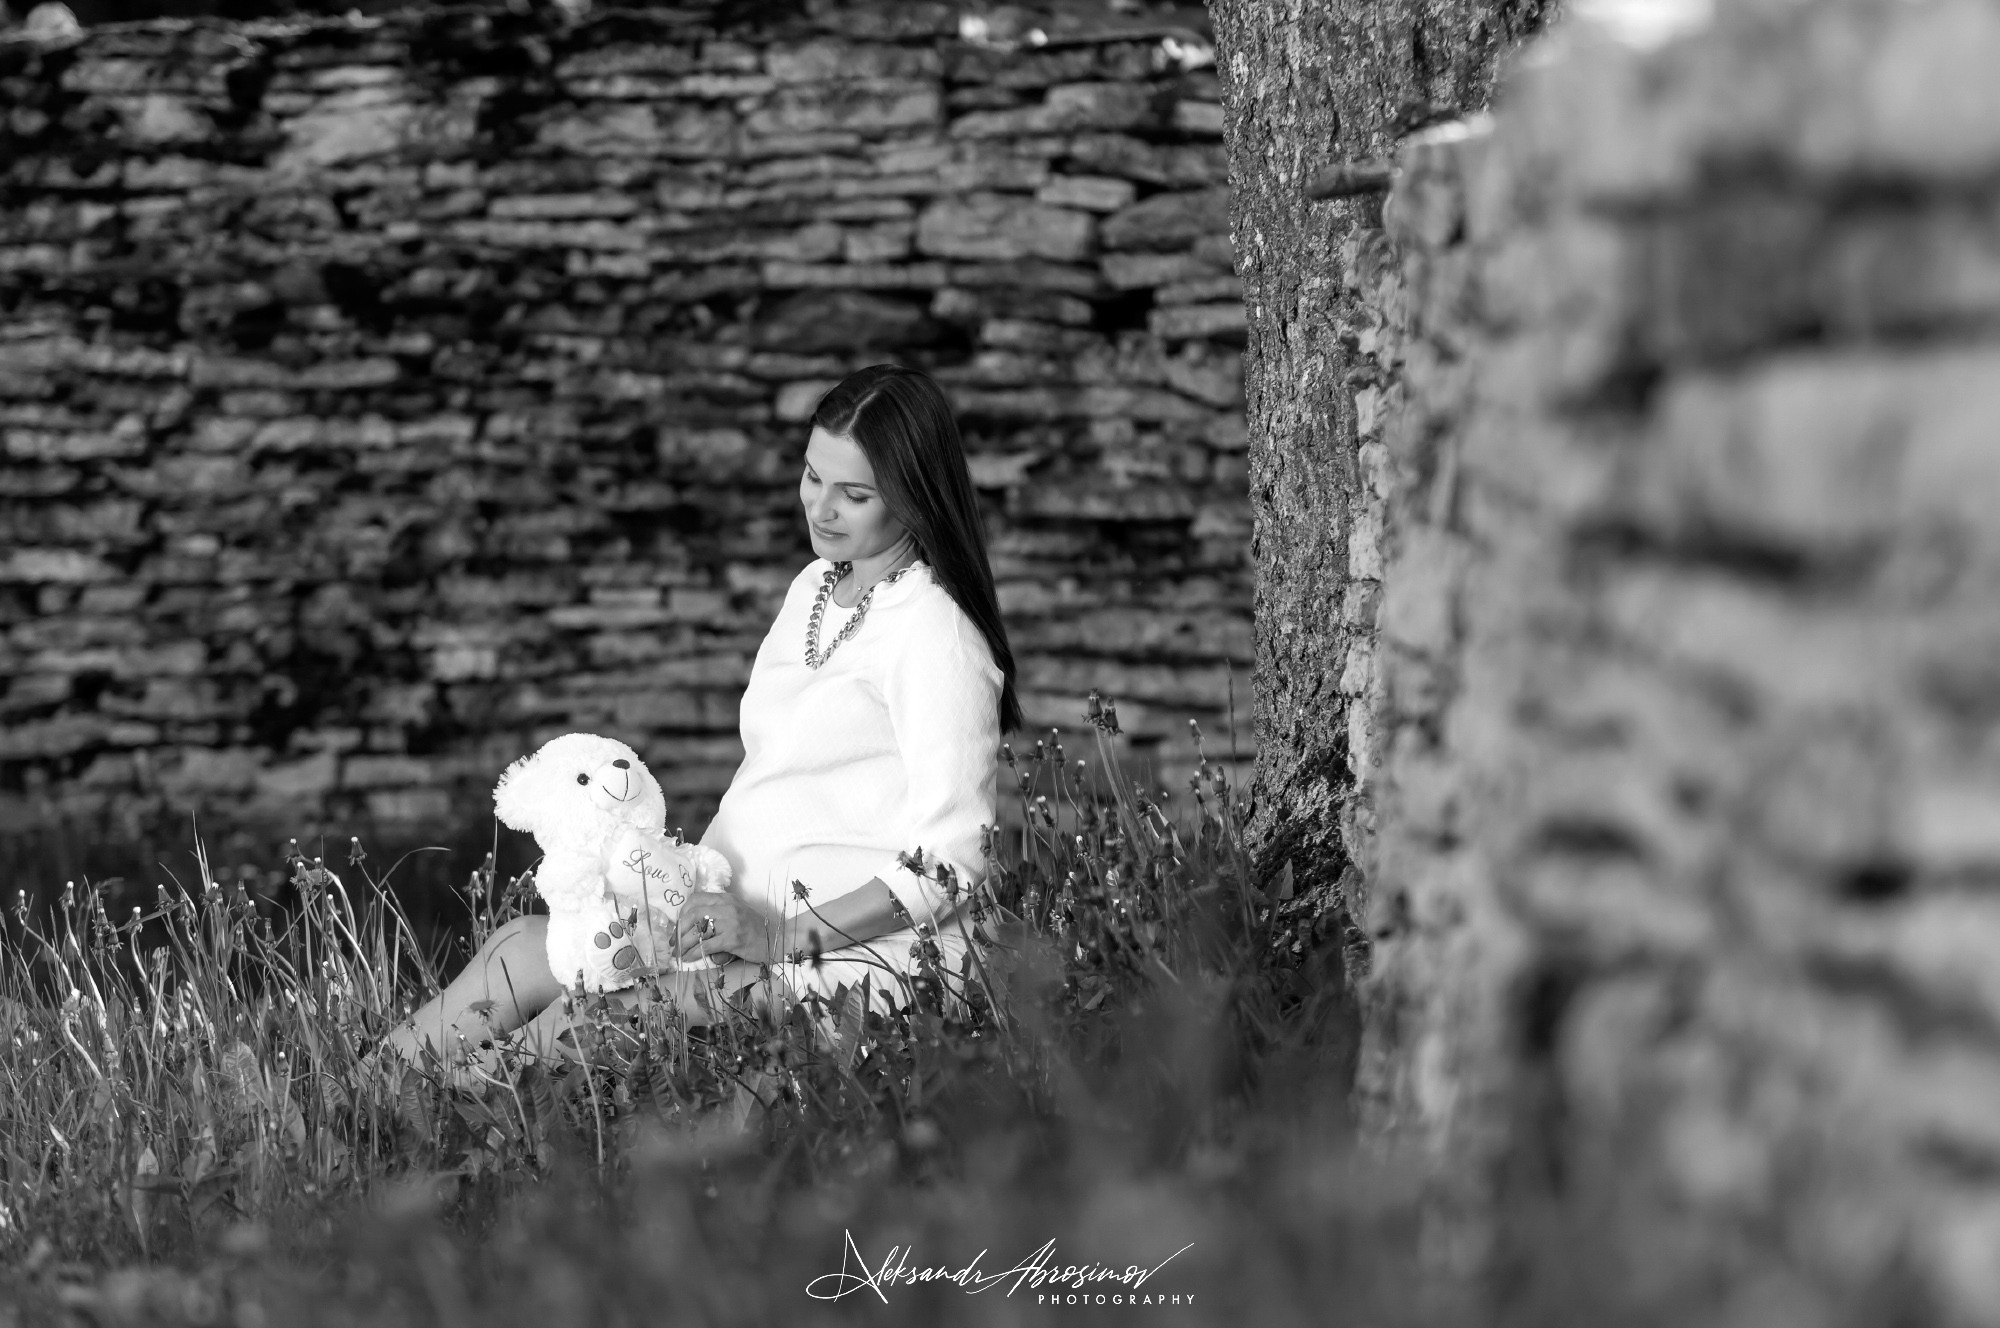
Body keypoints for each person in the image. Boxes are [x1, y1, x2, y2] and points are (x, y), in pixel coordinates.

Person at [384, 365, 1024, 1076]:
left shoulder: (935, 634)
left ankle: (434, 1124)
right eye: (813, 477)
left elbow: (950, 867)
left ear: (915, 498)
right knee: (519, 949)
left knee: (594, 1012)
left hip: (850, 964)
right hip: (733, 930)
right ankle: (350, 1096)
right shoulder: (817, 587)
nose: (822, 508)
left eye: (856, 494)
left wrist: (778, 936)